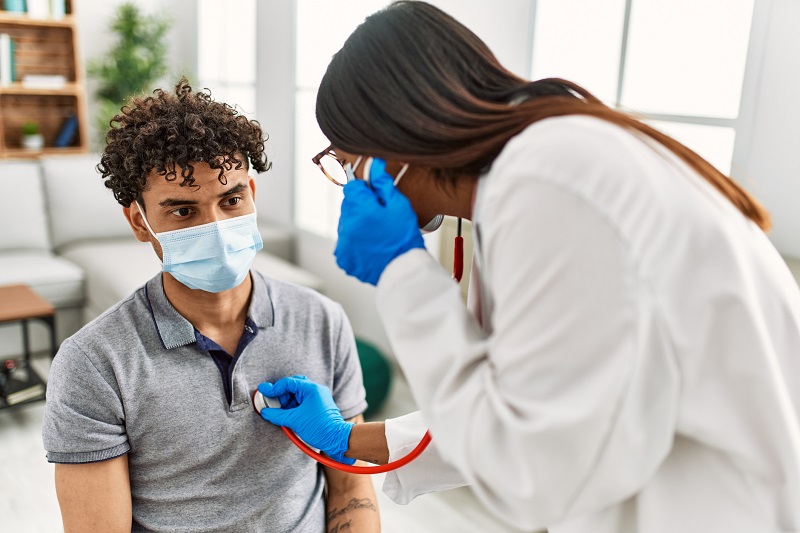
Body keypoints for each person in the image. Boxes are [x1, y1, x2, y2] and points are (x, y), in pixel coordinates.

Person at [256, 2, 800, 532]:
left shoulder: (549, 184)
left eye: (348, 160)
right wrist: (346, 439)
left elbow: (531, 471)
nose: (351, 182)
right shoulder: (542, 169)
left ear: (395, 136)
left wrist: (402, 275)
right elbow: (520, 408)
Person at [41, 79, 380, 533]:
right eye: (183, 211)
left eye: (231, 200)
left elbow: (351, 489)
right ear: (138, 221)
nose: (216, 228)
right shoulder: (94, 363)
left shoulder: (323, 320)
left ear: (252, 196)